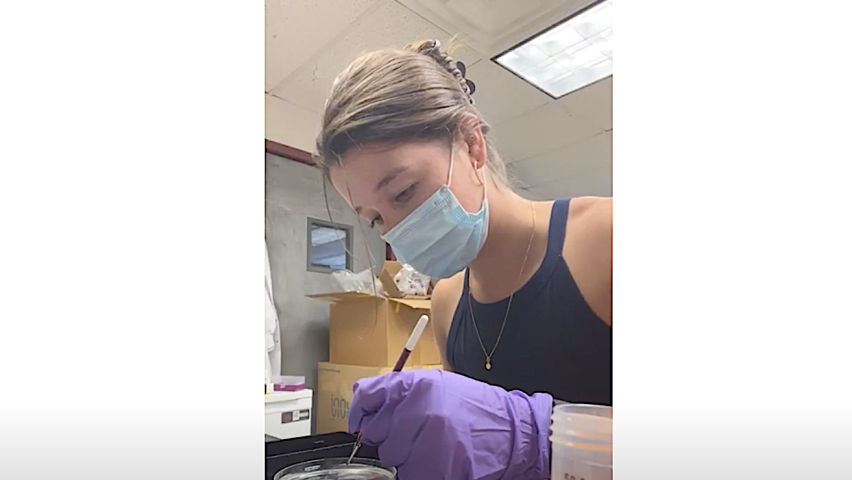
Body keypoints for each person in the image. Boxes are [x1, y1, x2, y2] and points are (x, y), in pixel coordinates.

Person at [314, 39, 612, 480]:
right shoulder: (447, 304)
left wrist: (529, 436)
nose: (399, 228)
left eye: (404, 192)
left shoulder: (606, 240)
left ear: (472, 145)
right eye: (376, 219)